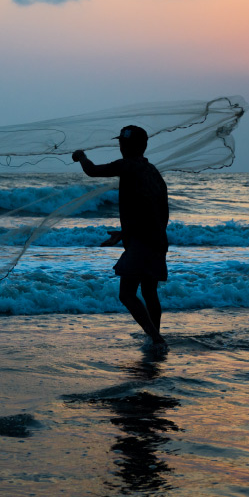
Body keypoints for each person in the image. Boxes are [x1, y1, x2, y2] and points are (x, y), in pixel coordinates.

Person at [72, 126, 169, 345]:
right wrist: (126, 233)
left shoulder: (127, 165)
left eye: (123, 144)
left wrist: (81, 157)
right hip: (156, 240)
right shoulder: (152, 171)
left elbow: (92, 171)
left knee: (126, 294)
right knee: (149, 291)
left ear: (136, 146)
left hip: (142, 243)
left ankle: (156, 338)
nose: (121, 147)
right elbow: (160, 211)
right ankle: (154, 337)